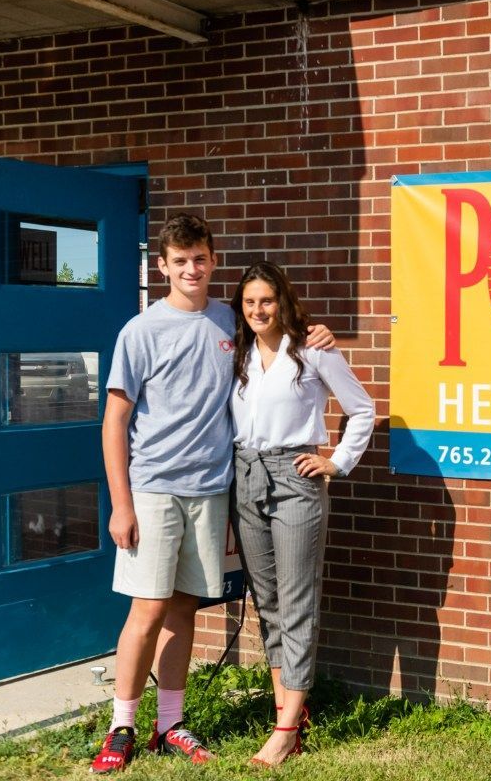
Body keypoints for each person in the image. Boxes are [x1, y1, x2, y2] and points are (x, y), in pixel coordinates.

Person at [91, 215, 334, 773]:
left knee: (183, 608)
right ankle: (121, 725)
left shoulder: (231, 319)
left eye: (199, 259)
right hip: (154, 488)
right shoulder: (140, 331)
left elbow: (282, 340)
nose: (191, 270)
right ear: (162, 267)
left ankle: (169, 723)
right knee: (147, 608)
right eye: (179, 262)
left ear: (212, 260)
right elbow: (114, 422)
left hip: (213, 489)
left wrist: (318, 333)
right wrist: (121, 502)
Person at [229, 261, 375, 767]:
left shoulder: (312, 349)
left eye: (266, 300)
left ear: (283, 300)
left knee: (296, 602)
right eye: (249, 303)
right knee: (267, 600)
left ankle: (286, 730)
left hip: (294, 480)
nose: (257, 311)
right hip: (246, 477)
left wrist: (336, 461)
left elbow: (362, 408)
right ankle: (287, 710)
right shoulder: (239, 353)